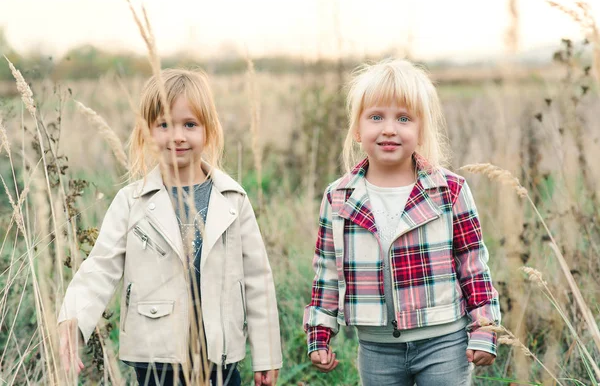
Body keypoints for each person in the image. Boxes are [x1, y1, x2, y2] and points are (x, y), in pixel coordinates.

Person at [58, 68, 282, 386]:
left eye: (189, 124)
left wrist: (267, 354)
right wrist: (74, 318)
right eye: (164, 125)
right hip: (155, 356)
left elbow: (258, 279)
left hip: (219, 355)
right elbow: (100, 266)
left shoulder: (232, 199)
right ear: (147, 132)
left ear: (208, 130)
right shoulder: (131, 201)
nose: (177, 136)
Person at [303, 58, 501, 385]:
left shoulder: (448, 191)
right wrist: (319, 332)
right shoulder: (338, 197)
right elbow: (326, 270)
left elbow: (473, 264)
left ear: (421, 129)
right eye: (376, 117)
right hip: (377, 348)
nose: (389, 128)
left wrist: (485, 328)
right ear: (357, 129)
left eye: (404, 118)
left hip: (444, 343)